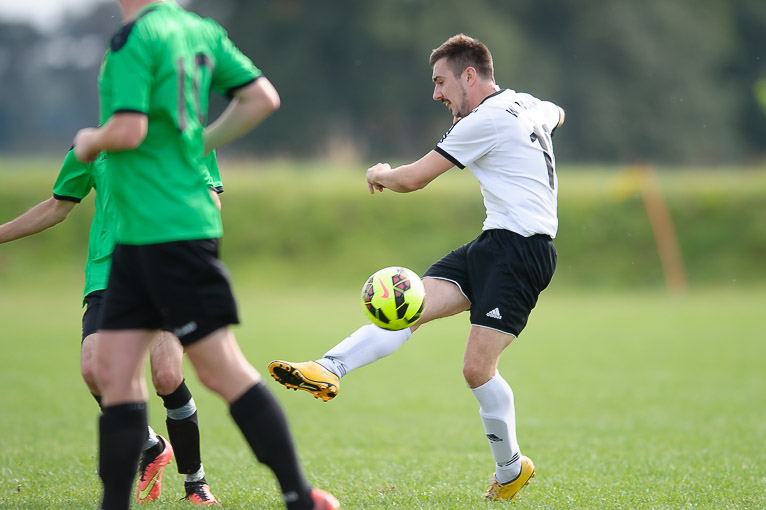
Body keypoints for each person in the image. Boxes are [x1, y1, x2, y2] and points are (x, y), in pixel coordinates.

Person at [268, 33, 564, 503]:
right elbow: (556, 112)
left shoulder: (483, 119)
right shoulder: (525, 104)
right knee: (408, 307)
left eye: (441, 82)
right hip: (493, 241)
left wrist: (379, 172)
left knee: (477, 369)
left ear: (470, 76)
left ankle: (511, 469)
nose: (436, 93)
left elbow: (412, 179)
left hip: (522, 253)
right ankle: (328, 368)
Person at [71, 1, 339, 509]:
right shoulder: (200, 30)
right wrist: (196, 144)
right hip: (143, 236)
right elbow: (261, 98)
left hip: (167, 231)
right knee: (117, 376)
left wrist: (90, 141)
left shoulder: (133, 39)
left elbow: (126, 130)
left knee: (221, 371)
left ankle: (300, 497)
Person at [0, 149, 224, 505]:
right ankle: (151, 445)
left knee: (166, 375)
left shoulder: (185, 137)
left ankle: (195, 481)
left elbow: (211, 201)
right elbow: (57, 207)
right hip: (108, 274)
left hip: (167, 272)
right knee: (93, 369)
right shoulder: (93, 147)